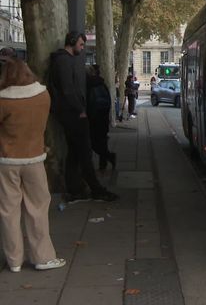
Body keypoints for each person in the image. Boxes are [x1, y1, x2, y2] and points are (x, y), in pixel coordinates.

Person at [0, 57, 66, 272]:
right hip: (35, 158)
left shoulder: (3, 100)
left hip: (7, 160)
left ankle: (14, 260)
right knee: (37, 208)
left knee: (9, 211)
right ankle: (42, 257)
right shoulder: (42, 95)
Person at [48, 31, 118, 203]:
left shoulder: (64, 60)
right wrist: (80, 109)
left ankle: (75, 188)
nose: (82, 47)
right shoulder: (64, 60)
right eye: (80, 44)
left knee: (74, 153)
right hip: (72, 113)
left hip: (69, 112)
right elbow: (67, 89)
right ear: (71, 42)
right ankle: (96, 189)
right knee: (84, 152)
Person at [86, 65, 116, 171]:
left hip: (95, 120)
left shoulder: (92, 85)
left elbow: (93, 104)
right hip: (102, 119)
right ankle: (103, 164)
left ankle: (109, 158)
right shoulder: (101, 84)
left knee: (95, 144)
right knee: (102, 143)